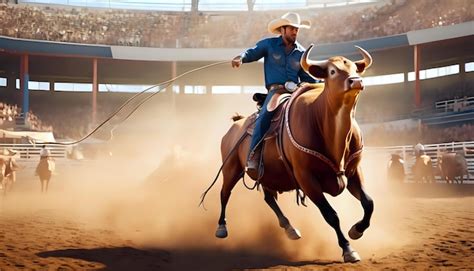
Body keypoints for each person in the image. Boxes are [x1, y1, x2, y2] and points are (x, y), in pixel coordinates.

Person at [231, 12, 317, 177]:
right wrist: (241, 58)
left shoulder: (302, 52)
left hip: (296, 92)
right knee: (266, 114)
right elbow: (252, 52)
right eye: (291, 28)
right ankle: (253, 156)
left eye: (296, 29)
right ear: (282, 29)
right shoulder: (268, 45)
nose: (294, 32)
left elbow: (307, 77)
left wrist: (325, 84)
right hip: (276, 92)